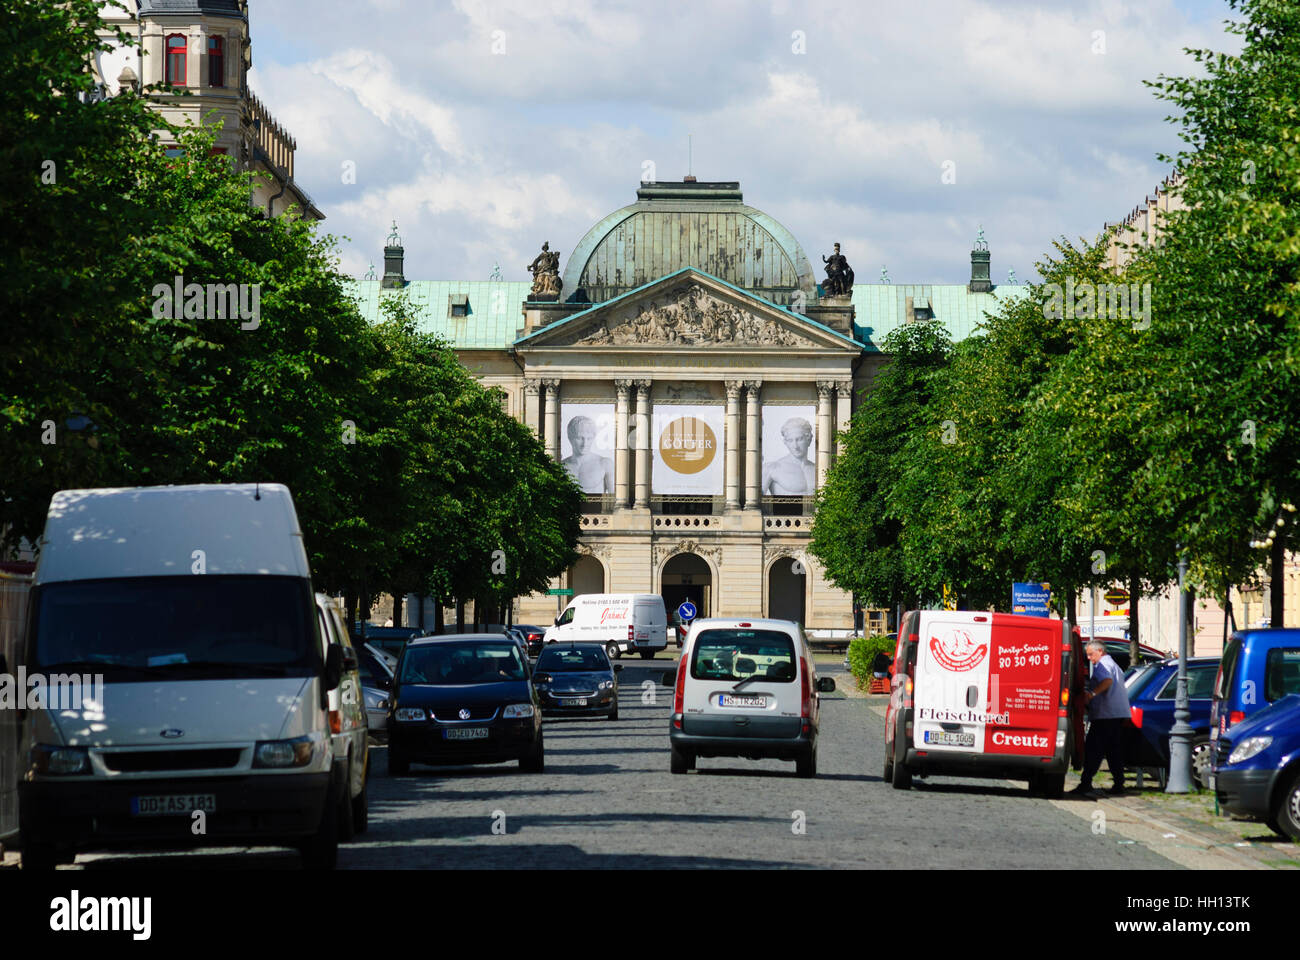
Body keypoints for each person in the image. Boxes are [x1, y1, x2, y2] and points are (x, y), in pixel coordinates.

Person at [1070, 639, 1131, 797]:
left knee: (1094, 749)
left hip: (1106, 715)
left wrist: (1091, 694)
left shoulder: (1103, 665)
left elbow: (1107, 681)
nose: (1089, 658)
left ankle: (1086, 783)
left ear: (1100, 652)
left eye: (1091, 654)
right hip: (1115, 714)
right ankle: (1118, 783)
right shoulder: (1114, 664)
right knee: (1113, 751)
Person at [761, 417, 816, 495]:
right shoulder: (771, 468)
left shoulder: (817, 470)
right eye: (790, 440)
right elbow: (755, 499)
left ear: (808, 439)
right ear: (785, 442)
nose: (795, 446)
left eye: (799, 439)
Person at [561, 415, 614, 493]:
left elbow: (614, 496)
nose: (585, 444)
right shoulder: (561, 466)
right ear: (570, 438)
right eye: (579, 438)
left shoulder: (605, 464)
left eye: (589, 438)